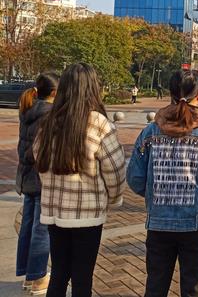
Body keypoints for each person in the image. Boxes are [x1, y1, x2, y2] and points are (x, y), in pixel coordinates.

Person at [127, 70, 198, 297]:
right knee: (193, 287)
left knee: (155, 285)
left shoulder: (150, 131)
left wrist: (153, 194)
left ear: (170, 93)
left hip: (158, 221)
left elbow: (135, 177)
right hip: (197, 223)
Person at [35, 63, 126, 297]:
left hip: (55, 212)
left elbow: (39, 158)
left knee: (58, 274)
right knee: (82, 278)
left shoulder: (49, 121)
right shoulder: (98, 123)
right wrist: (113, 199)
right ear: (92, 88)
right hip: (87, 213)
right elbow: (115, 170)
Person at [16, 72, 59, 294]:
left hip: (25, 175)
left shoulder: (27, 108)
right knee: (41, 229)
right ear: (55, 92)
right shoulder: (50, 114)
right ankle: (39, 277)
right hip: (41, 176)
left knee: (28, 225)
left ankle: (27, 274)